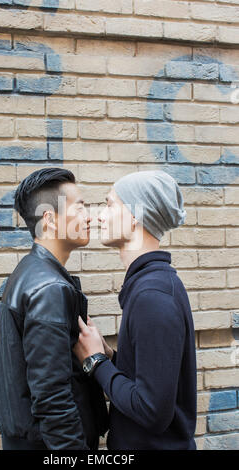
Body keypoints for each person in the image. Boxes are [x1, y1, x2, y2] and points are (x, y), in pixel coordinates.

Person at [73, 170, 197, 450]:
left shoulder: (152, 296)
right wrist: (112, 357)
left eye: (109, 204)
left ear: (135, 215)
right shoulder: (154, 286)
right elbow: (153, 380)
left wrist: (95, 362)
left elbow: (151, 412)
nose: (101, 216)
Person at [0, 167, 108, 450]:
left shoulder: (29, 273)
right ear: (51, 220)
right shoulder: (48, 288)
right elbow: (51, 395)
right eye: (80, 208)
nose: (90, 216)